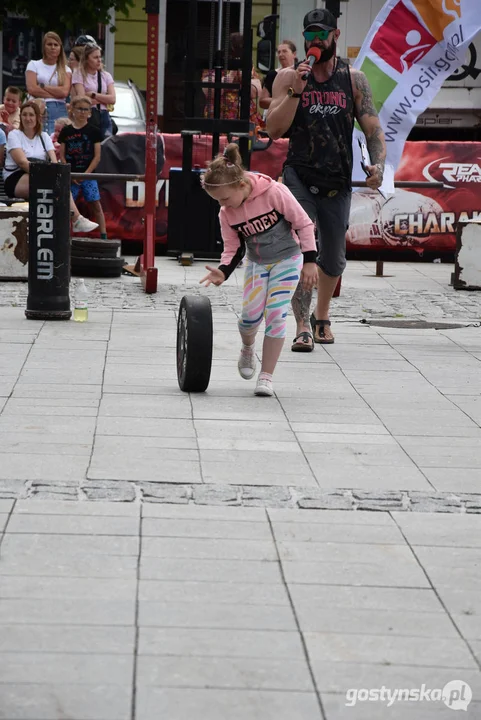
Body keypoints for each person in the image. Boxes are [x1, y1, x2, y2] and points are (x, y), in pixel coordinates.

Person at [267, 8, 386, 350]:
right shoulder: (289, 77)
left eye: (323, 34)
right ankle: (302, 325)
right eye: (310, 34)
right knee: (303, 248)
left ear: (335, 36)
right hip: (298, 175)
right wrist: (296, 90)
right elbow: (274, 129)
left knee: (332, 258)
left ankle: (321, 317)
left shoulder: (354, 79)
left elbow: (374, 130)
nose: (316, 40)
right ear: (304, 38)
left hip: (337, 178)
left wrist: (377, 165)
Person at [199, 143, 318, 397]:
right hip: (257, 263)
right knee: (250, 317)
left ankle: (266, 376)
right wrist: (223, 270)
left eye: (225, 199)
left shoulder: (274, 192)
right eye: (218, 201)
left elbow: (303, 224)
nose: (223, 205)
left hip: (288, 259)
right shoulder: (226, 213)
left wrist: (310, 260)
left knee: (276, 314)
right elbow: (233, 248)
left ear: (241, 185)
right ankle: (247, 347)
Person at [2, 101, 98, 233]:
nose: (28, 118)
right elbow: (22, 163)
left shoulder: (44, 136)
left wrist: (54, 175)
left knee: (59, 183)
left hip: (41, 175)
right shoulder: (14, 135)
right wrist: (48, 175)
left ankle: (63, 227)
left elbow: (54, 162)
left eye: (31, 115)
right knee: (51, 182)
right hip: (16, 178)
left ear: (37, 118)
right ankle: (75, 219)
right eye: (24, 115)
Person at [59, 96, 107, 238]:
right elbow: (61, 155)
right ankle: (65, 237)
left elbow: (97, 156)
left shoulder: (94, 131)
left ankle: (104, 236)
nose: (82, 112)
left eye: (86, 109)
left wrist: (86, 174)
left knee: (96, 205)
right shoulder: (66, 131)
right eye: (79, 109)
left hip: (89, 175)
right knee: (67, 207)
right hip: (70, 175)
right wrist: (70, 172)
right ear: (72, 110)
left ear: (90, 113)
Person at [202, 32, 262, 127]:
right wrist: (231, 74)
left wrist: (244, 76)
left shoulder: (247, 65)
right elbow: (210, 91)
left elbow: (256, 92)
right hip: (219, 114)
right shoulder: (215, 64)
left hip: (245, 114)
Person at [25, 31, 72, 135]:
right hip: (39, 108)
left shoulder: (66, 69)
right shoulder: (33, 65)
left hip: (59, 109)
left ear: (60, 48)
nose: (53, 47)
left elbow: (64, 92)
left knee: (58, 142)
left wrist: (43, 86)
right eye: (49, 44)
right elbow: (32, 89)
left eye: (56, 45)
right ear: (44, 47)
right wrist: (56, 94)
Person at [72, 42, 116, 139]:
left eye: (100, 57)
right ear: (87, 59)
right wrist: (104, 99)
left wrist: (93, 95)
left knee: (106, 146)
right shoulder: (79, 74)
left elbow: (112, 99)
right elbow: (82, 100)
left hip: (104, 115)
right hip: (88, 115)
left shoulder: (105, 75)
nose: (99, 60)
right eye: (95, 57)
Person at [259, 41, 297, 111]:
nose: (281, 54)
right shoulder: (273, 74)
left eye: (284, 51)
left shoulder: (301, 73)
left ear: (294, 54)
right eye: (279, 52)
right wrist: (285, 101)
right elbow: (262, 101)